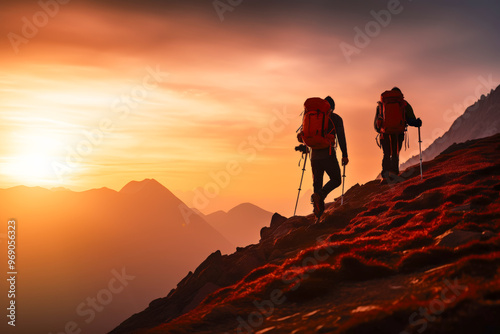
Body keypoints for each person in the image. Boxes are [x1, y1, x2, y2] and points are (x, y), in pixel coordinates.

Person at [297, 96, 348, 218]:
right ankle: (321, 195)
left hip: (314, 156)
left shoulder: (313, 117)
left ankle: (317, 215)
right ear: (332, 108)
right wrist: (345, 155)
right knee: (336, 179)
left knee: (317, 183)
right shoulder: (335, 118)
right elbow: (341, 138)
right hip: (328, 154)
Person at [374, 87, 422, 183]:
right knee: (395, 154)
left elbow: (376, 124)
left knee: (386, 154)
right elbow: (411, 120)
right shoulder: (403, 103)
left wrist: (381, 130)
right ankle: (394, 174)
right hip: (398, 133)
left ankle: (385, 177)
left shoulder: (381, 104)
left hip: (385, 133)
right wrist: (418, 123)